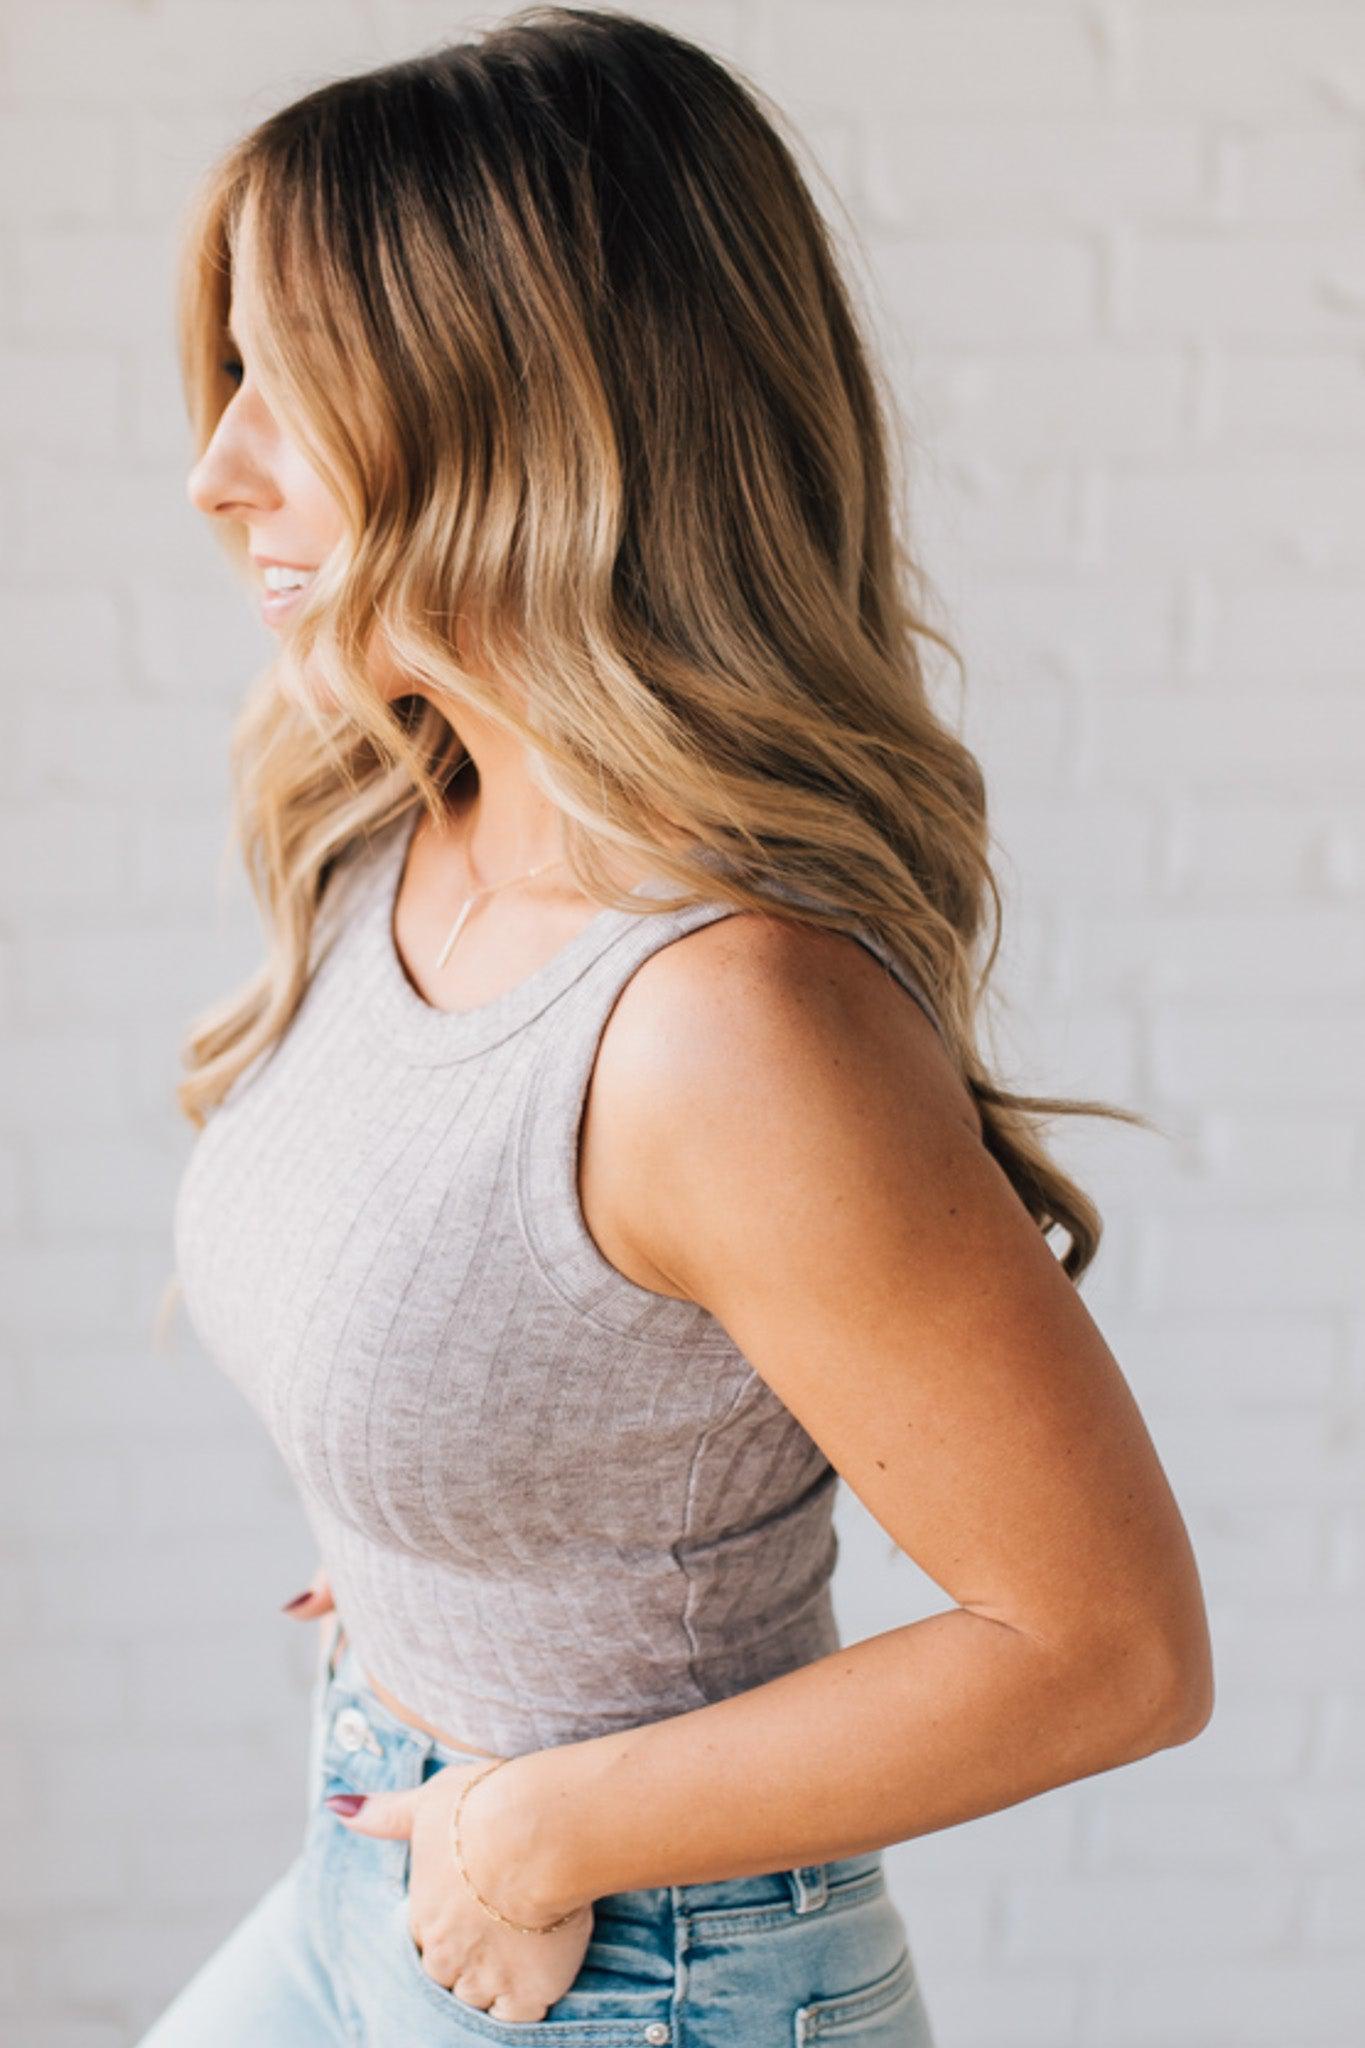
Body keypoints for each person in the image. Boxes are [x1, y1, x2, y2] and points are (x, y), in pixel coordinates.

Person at [141, 8, 1214, 2042]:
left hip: (632, 1958)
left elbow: (1107, 1650)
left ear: (536, 419)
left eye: (297, 380)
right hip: (374, 1845)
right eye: (233, 368)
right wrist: (441, 1532)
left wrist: (531, 1834)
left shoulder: (726, 1025)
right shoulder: (402, 811)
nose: (219, 467)